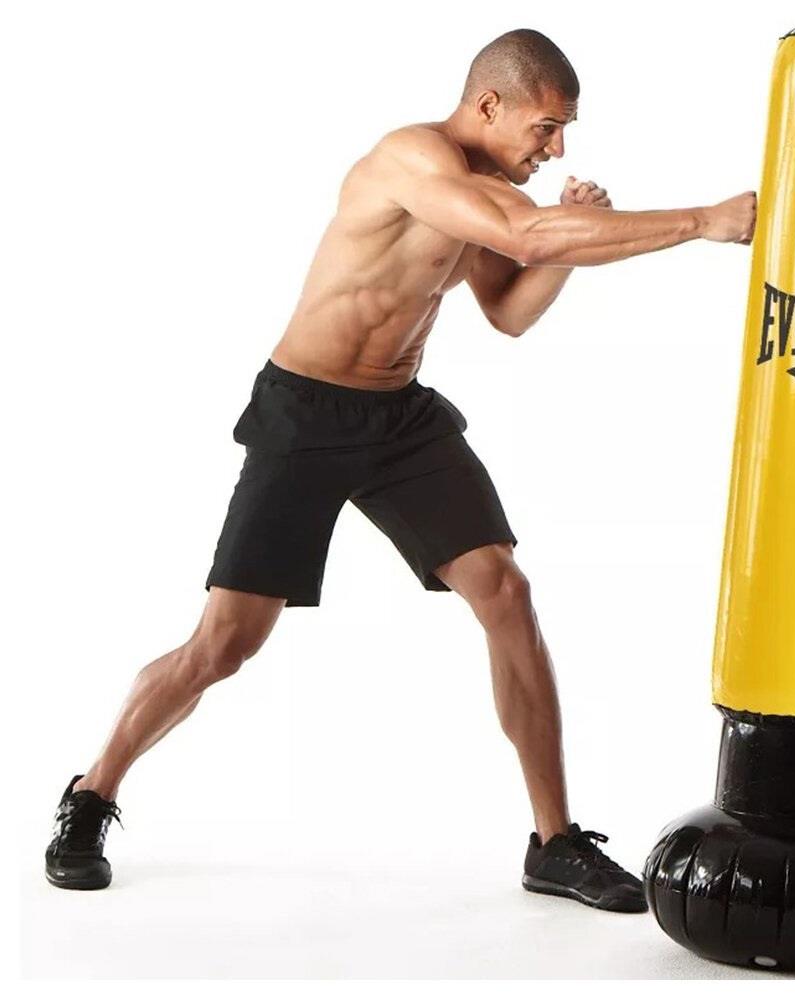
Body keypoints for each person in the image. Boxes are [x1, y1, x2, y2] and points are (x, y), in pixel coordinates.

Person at [45, 28, 756, 913]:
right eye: (547, 126)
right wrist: (701, 222)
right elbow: (527, 236)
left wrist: (570, 243)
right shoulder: (410, 158)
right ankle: (92, 797)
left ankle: (554, 842)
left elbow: (509, 310)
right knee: (225, 644)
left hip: (400, 418)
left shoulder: (490, 194)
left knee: (505, 591)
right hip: (307, 413)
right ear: (490, 103)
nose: (556, 148)